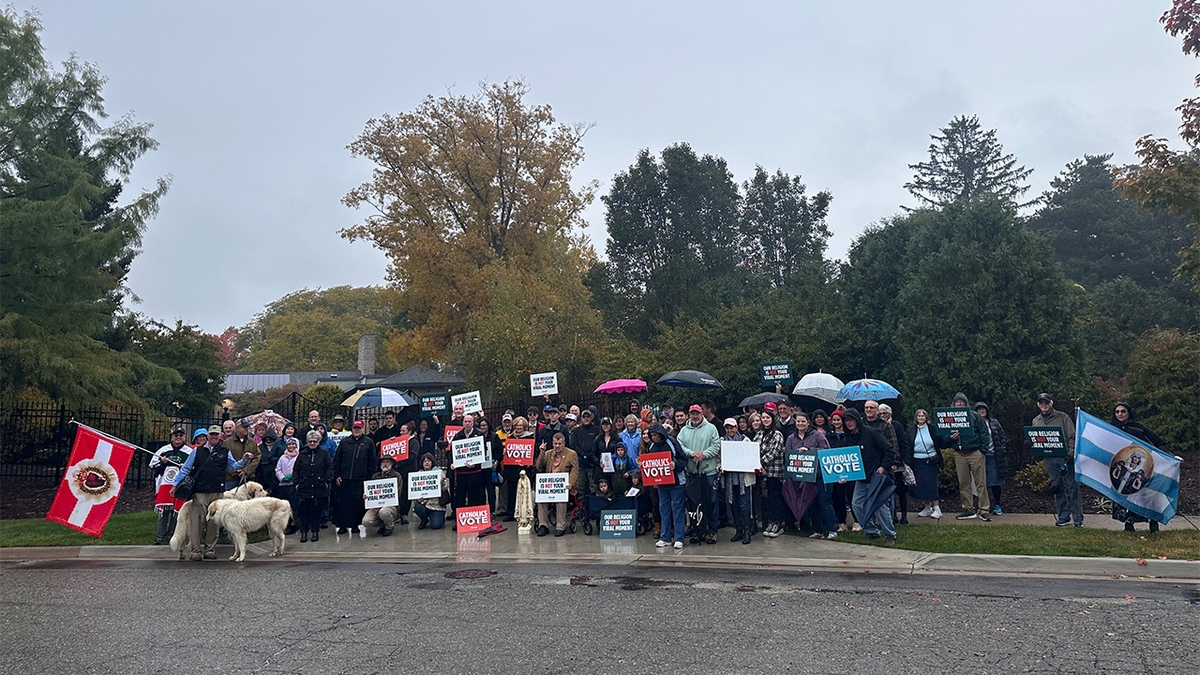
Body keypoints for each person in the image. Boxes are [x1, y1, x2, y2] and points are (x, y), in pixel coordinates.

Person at [171, 425, 252, 560]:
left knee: (213, 523)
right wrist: (175, 485)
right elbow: (185, 469)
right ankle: (195, 550)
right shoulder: (197, 451)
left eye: (216, 435)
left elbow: (232, 467)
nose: (214, 437)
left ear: (219, 436)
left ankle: (210, 549)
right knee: (197, 521)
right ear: (207, 436)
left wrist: (243, 461)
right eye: (211, 434)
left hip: (217, 492)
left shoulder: (225, 451)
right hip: (200, 491)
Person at [1109, 402, 1166, 533]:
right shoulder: (1110, 430)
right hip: (1122, 469)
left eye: (1123, 411)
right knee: (1125, 496)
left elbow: (1156, 443)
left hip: (1140, 469)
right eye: (1117, 412)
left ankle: (1153, 523)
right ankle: (1128, 525)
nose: (1120, 414)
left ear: (1129, 412)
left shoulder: (1138, 429)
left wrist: (1171, 457)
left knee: (1145, 496)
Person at [842, 409, 898, 543]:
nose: (849, 423)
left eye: (851, 420)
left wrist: (883, 467)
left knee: (879, 505)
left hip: (876, 476)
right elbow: (846, 459)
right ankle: (871, 530)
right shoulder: (848, 437)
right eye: (846, 421)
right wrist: (845, 476)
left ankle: (890, 535)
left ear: (857, 419)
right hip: (861, 478)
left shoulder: (871, 432)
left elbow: (889, 449)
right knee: (856, 505)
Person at [1031, 392, 1080, 527]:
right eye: (1041, 403)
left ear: (1051, 403)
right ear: (1038, 405)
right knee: (1057, 487)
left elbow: (1072, 437)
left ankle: (1077, 518)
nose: (1044, 405)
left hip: (1065, 457)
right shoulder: (1036, 421)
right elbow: (1037, 439)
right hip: (1049, 458)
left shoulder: (1063, 417)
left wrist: (1070, 454)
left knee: (1072, 487)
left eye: (1046, 402)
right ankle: (1063, 516)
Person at [785, 412, 836, 539]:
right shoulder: (791, 438)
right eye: (798, 422)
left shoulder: (817, 435)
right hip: (804, 477)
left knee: (824, 502)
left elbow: (827, 450)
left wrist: (810, 450)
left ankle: (832, 530)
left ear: (808, 422)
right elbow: (788, 456)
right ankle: (817, 531)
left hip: (820, 475)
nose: (800, 424)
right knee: (811, 504)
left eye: (803, 421)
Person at [677, 404, 721, 544]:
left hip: (709, 472)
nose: (695, 416)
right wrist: (693, 454)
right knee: (694, 504)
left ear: (702, 414)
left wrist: (702, 455)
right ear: (689, 415)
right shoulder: (683, 431)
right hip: (692, 473)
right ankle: (698, 531)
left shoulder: (711, 428)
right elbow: (680, 447)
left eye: (697, 413)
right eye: (692, 414)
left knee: (711, 502)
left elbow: (716, 446)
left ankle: (712, 531)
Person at [945, 392, 992, 521]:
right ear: (953, 404)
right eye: (957, 402)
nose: (959, 404)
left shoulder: (975, 416)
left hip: (975, 452)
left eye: (962, 402)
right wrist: (950, 438)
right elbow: (943, 435)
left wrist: (983, 450)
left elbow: (984, 433)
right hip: (959, 454)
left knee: (980, 482)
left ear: (966, 404)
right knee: (963, 483)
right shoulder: (949, 417)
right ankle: (967, 508)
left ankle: (984, 509)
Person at [644, 422, 688, 550]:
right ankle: (665, 537)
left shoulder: (672, 443)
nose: (654, 438)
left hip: (676, 482)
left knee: (677, 510)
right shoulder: (652, 446)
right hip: (662, 484)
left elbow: (683, 459)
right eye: (652, 436)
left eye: (656, 435)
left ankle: (679, 538)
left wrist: (675, 465)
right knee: (664, 509)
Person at [149, 427, 192, 545]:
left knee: (176, 511)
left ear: (184, 437)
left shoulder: (189, 452)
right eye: (176, 435)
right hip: (165, 485)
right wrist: (163, 463)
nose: (178, 438)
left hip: (180, 485)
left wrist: (185, 467)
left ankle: (172, 535)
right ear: (172, 437)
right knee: (163, 511)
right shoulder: (163, 450)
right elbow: (154, 467)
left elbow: (193, 469)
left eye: (181, 435)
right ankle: (160, 536)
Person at [333, 420, 378, 534]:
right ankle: (342, 525)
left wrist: (369, 478)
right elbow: (337, 460)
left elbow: (372, 462)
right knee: (343, 503)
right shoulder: (345, 442)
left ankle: (355, 525)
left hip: (360, 478)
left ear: (363, 429)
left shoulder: (368, 442)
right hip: (345, 478)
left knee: (357, 504)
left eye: (359, 428)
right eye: (355, 428)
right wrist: (337, 474)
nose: (356, 430)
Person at [533, 432, 579, 537]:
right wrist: (541, 453)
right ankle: (543, 525)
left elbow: (575, 470)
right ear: (552, 444)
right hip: (549, 486)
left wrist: (571, 483)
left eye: (560, 444)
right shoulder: (548, 453)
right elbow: (538, 466)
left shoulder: (572, 454)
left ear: (564, 443)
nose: (557, 446)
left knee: (561, 500)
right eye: (555, 444)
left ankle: (560, 526)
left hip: (564, 486)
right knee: (541, 500)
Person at [373, 410, 413, 525]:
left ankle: (401, 513)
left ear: (394, 419)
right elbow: (375, 445)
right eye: (387, 418)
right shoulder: (380, 432)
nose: (388, 420)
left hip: (399, 468)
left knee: (402, 492)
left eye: (390, 418)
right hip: (386, 466)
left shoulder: (398, 431)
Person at [294, 430, 333, 542]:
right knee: (304, 511)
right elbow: (296, 469)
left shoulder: (324, 453)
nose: (312, 443)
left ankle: (315, 531)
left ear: (318, 442)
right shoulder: (302, 453)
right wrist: (296, 483)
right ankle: (304, 532)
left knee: (316, 511)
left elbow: (329, 467)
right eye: (310, 441)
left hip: (319, 486)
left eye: (314, 441)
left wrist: (326, 481)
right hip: (304, 486)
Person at [721, 419, 755, 545]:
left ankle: (747, 531)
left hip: (743, 480)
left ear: (736, 428)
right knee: (734, 505)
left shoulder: (745, 440)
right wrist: (721, 467)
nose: (730, 430)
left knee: (745, 505)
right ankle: (738, 530)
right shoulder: (722, 442)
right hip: (730, 480)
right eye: (727, 428)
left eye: (732, 428)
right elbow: (719, 458)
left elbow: (751, 456)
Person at [908, 409, 946, 519]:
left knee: (931, 484)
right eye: (918, 416)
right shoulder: (911, 430)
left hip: (930, 460)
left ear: (926, 417)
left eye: (922, 416)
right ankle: (927, 507)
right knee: (921, 485)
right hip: (916, 460)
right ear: (916, 418)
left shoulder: (932, 429)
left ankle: (937, 508)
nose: (920, 417)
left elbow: (941, 442)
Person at [878, 404, 913, 525]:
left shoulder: (896, 425)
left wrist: (904, 461)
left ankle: (904, 516)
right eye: (880, 413)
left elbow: (903, 443)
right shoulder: (879, 426)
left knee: (901, 492)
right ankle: (893, 517)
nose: (882, 416)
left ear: (890, 414)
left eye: (884, 413)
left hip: (898, 463)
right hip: (886, 462)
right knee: (889, 492)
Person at [974, 401, 1008, 516]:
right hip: (980, 456)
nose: (981, 411)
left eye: (983, 409)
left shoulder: (994, 422)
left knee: (995, 482)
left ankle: (997, 505)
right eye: (979, 409)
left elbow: (1002, 435)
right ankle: (982, 506)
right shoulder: (974, 423)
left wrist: (1002, 448)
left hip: (994, 455)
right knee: (981, 483)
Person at [756, 410, 787, 537]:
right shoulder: (759, 434)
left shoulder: (777, 434)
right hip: (761, 473)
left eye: (767, 417)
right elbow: (753, 449)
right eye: (763, 417)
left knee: (775, 498)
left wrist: (760, 463)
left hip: (774, 472)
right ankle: (770, 521)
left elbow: (774, 452)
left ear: (772, 419)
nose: (765, 420)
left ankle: (778, 523)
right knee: (766, 499)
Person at [826, 410, 856, 531]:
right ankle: (842, 522)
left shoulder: (850, 435)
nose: (836, 422)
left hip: (850, 471)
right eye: (834, 420)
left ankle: (857, 521)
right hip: (835, 472)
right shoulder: (829, 436)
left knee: (852, 496)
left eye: (839, 420)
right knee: (838, 498)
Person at [502, 416, 535, 520]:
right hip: (511, 470)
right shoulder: (510, 438)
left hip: (525, 470)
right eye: (517, 425)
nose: (518, 427)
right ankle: (510, 513)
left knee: (524, 492)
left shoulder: (530, 438)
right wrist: (505, 453)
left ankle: (525, 513)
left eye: (520, 425)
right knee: (511, 492)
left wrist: (526, 463)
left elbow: (532, 454)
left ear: (524, 426)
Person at [451, 414, 487, 510]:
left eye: (469, 422)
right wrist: (452, 463)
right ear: (463, 423)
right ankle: (459, 521)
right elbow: (452, 452)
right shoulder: (458, 435)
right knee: (460, 498)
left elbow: (484, 451)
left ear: (473, 423)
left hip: (475, 472)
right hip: (461, 473)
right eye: (465, 421)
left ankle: (473, 520)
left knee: (474, 497)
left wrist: (476, 463)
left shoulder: (479, 434)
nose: (467, 424)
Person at [361, 455, 402, 536]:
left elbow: (397, 493)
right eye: (383, 462)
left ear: (392, 464)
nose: (385, 464)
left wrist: (381, 506)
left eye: (387, 462)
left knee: (384, 512)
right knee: (366, 521)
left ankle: (389, 526)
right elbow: (371, 492)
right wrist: (366, 496)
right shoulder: (375, 476)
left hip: (391, 506)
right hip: (375, 507)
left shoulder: (397, 476)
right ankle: (383, 524)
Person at [413, 453, 449, 529]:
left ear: (432, 462)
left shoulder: (439, 472)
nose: (426, 462)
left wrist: (441, 482)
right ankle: (424, 520)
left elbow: (445, 488)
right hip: (424, 503)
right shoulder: (418, 475)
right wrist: (417, 498)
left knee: (436, 526)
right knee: (417, 507)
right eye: (424, 461)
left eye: (428, 461)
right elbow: (414, 491)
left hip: (437, 505)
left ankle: (440, 518)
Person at [223, 419, 261, 490]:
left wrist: (247, 471)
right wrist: (236, 472)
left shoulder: (252, 442)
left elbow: (257, 457)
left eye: (247, 427)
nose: (247, 429)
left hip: (248, 477)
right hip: (232, 479)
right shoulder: (227, 443)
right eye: (244, 427)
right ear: (237, 428)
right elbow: (224, 460)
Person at [274, 437, 300, 534]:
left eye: (293, 444)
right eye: (289, 444)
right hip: (284, 485)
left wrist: (293, 476)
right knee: (285, 504)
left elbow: (299, 468)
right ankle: (286, 522)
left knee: (294, 504)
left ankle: (293, 523)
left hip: (294, 484)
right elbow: (278, 469)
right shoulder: (282, 457)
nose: (291, 446)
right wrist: (282, 477)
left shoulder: (298, 456)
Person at [592, 416, 624, 492]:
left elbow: (621, 452)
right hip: (601, 470)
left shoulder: (617, 438)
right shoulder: (597, 439)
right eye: (603, 424)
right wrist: (598, 462)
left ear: (611, 425)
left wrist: (614, 459)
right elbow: (593, 453)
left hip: (614, 469)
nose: (605, 426)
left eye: (607, 424)